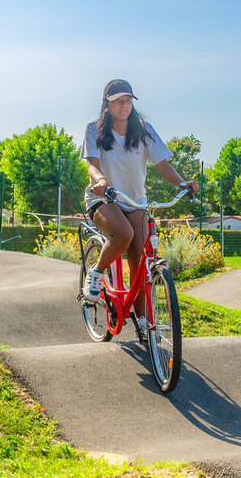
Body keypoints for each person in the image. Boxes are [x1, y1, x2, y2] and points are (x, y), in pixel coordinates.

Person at [80, 79, 198, 340]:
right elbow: (92, 164)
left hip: (135, 202)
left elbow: (163, 165)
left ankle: (143, 321)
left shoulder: (144, 131)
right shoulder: (94, 130)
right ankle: (97, 273)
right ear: (107, 104)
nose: (125, 105)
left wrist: (182, 182)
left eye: (128, 100)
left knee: (140, 263)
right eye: (119, 101)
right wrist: (100, 181)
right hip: (105, 199)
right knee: (123, 235)